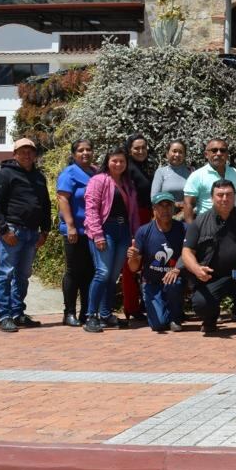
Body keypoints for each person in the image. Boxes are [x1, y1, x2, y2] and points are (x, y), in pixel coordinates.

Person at [182, 179, 236, 337]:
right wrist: (196, 269)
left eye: (229, 195)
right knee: (201, 304)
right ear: (212, 198)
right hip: (212, 277)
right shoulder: (199, 221)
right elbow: (187, 252)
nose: (224, 198)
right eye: (220, 195)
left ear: (235, 196)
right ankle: (210, 319)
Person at [0, 137, 51, 333]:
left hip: (32, 234)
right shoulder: (5, 174)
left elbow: (46, 205)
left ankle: (17, 313)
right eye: (22, 151)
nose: (27, 155)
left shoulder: (39, 177)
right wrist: (4, 230)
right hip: (13, 232)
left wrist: (45, 230)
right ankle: (5, 316)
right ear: (15, 154)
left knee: (23, 276)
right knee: (5, 275)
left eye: (30, 151)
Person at [83, 147, 139, 333]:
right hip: (104, 230)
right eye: (114, 160)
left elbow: (133, 212)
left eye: (122, 161)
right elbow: (91, 209)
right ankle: (91, 316)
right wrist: (97, 234)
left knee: (113, 276)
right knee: (103, 273)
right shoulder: (98, 180)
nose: (118, 164)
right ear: (107, 161)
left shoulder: (127, 183)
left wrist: (134, 235)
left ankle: (106, 314)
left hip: (123, 231)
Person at [125, 191, 186, 333]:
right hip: (151, 282)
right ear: (154, 210)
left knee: (174, 283)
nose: (165, 209)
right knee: (158, 325)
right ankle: (166, 311)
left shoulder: (183, 229)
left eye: (168, 205)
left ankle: (175, 317)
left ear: (173, 209)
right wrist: (133, 257)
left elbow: (188, 254)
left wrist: (177, 269)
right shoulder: (143, 232)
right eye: (161, 206)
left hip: (173, 279)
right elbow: (133, 268)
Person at [55, 138, 96, 327]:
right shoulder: (69, 173)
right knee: (73, 272)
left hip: (92, 231)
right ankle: (69, 312)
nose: (85, 153)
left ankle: (85, 312)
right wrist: (70, 225)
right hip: (74, 231)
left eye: (88, 149)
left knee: (89, 272)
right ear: (74, 154)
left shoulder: (95, 172)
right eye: (81, 150)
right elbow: (63, 199)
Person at [121, 134, 155, 323]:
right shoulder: (128, 170)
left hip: (148, 217)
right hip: (134, 218)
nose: (141, 151)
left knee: (143, 263)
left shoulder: (144, 168)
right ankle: (131, 307)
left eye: (143, 147)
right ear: (129, 150)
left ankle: (143, 304)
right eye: (136, 148)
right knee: (130, 263)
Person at [183, 137, 236, 222]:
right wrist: (191, 230)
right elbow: (188, 204)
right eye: (214, 150)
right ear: (206, 154)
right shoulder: (197, 175)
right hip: (207, 227)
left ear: (227, 154)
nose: (219, 153)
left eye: (223, 150)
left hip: (234, 225)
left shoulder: (235, 173)